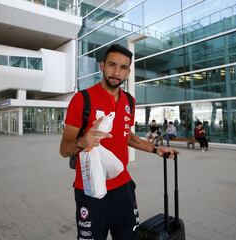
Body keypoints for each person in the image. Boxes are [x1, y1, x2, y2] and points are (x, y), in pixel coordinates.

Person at [59, 44, 179, 240]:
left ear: (128, 71)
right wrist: (83, 141)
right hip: (90, 189)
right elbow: (64, 149)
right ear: (102, 66)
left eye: (123, 67)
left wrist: (156, 148)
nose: (117, 72)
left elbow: (128, 137)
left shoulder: (130, 102)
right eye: (112, 65)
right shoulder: (82, 99)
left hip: (123, 187)